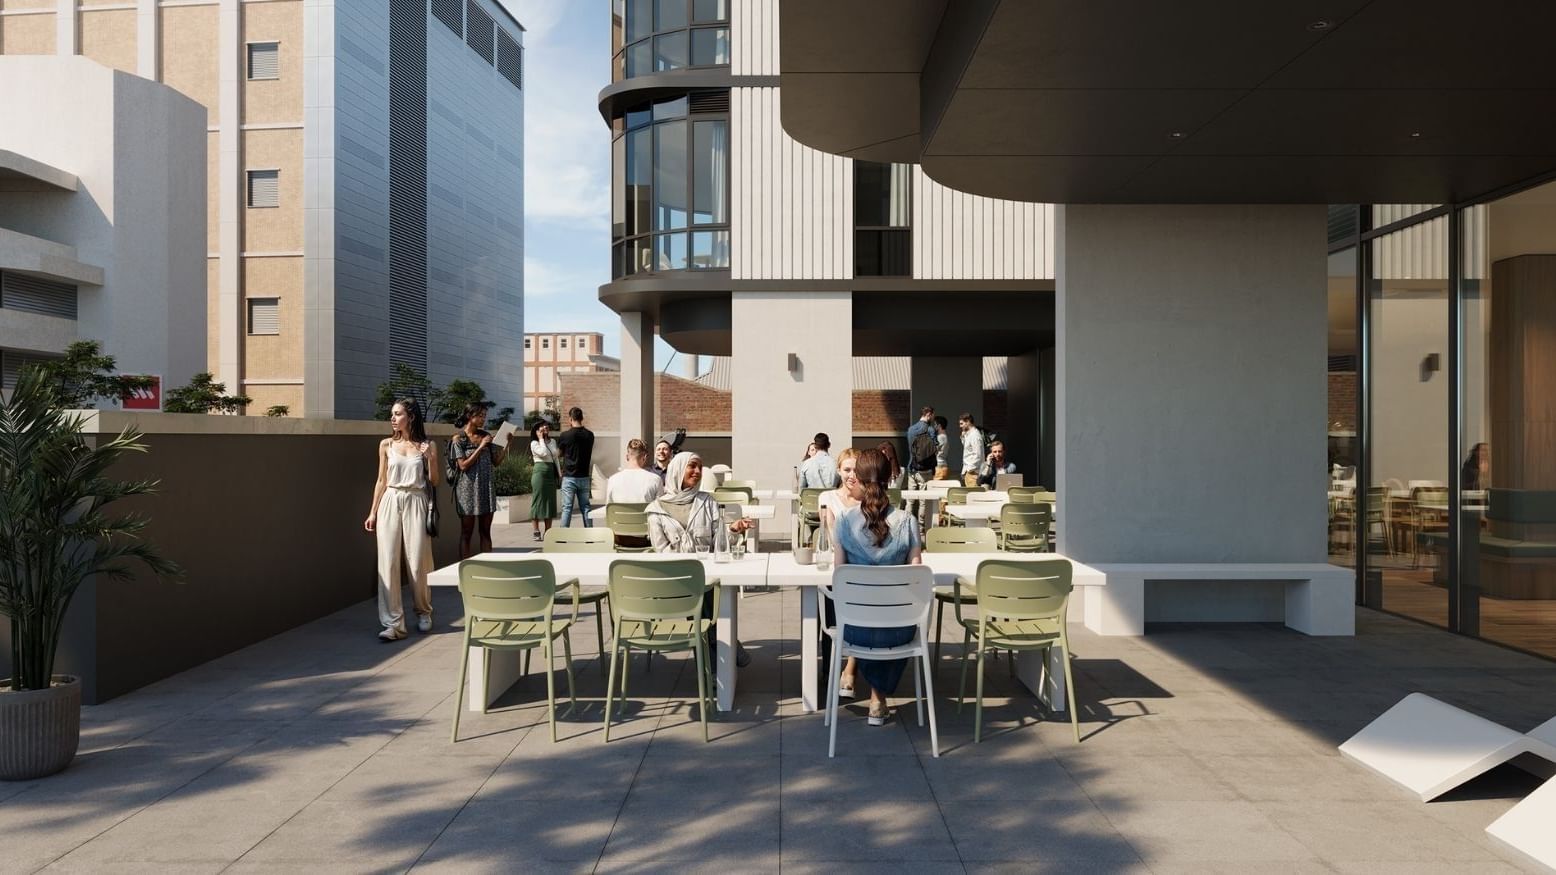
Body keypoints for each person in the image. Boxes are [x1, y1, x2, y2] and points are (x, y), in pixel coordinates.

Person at [832, 447, 924, 725]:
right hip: (900, 629)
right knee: (889, 620)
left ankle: (866, 689)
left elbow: (838, 577)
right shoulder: (908, 522)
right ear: (890, 478)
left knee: (871, 620)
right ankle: (877, 698)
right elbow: (918, 576)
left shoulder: (844, 522)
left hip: (855, 628)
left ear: (858, 480)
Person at [647, 451, 757, 665]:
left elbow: (719, 542)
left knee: (706, 600)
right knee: (704, 603)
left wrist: (733, 530)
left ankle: (711, 669)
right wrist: (690, 569)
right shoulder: (655, 510)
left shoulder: (707, 502)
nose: (697, 471)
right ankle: (724, 652)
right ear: (678, 470)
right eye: (692, 466)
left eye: (699, 467)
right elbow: (661, 551)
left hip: (706, 577)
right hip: (676, 579)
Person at [363, 398, 438, 641]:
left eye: (397, 414)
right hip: (390, 500)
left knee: (418, 562)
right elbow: (381, 480)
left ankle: (424, 611)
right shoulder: (385, 444)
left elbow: (435, 481)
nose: (392, 418)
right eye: (392, 414)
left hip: (416, 500)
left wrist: (432, 459)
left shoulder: (427, 446)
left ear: (411, 417)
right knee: (388, 562)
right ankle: (393, 624)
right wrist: (373, 511)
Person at [817, 448, 865, 699]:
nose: (852, 475)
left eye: (856, 470)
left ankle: (850, 668)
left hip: (864, 570)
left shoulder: (869, 498)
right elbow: (835, 536)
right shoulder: (827, 497)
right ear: (838, 471)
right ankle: (833, 670)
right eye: (847, 469)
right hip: (838, 569)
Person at [449, 402, 513, 559]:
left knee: (485, 532)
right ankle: (464, 570)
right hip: (466, 491)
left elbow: (496, 462)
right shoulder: (459, 439)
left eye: (485, 416)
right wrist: (480, 447)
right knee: (466, 533)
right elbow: (463, 465)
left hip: (486, 488)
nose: (483, 419)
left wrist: (507, 444)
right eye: (480, 416)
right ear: (470, 416)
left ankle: (487, 567)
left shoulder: (486, 436)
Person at [607, 438, 664, 549]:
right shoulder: (655, 479)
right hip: (646, 539)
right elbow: (660, 511)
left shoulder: (613, 479)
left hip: (619, 537)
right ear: (645, 457)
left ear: (627, 456)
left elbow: (608, 510)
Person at [557, 407, 595, 528]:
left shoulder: (565, 435)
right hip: (584, 476)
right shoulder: (590, 435)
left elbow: (559, 454)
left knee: (567, 508)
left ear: (570, 419)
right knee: (586, 507)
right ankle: (590, 535)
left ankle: (563, 537)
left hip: (569, 477)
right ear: (582, 418)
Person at [529, 420, 560, 541]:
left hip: (551, 472)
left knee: (550, 502)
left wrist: (559, 473)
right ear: (536, 431)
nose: (545, 427)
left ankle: (548, 532)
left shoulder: (552, 441)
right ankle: (536, 530)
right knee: (538, 500)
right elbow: (543, 452)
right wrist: (541, 439)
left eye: (546, 425)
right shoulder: (534, 443)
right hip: (540, 472)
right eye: (541, 426)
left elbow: (555, 457)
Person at [958, 413, 984, 487]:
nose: (960, 426)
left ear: (968, 421)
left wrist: (969, 470)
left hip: (973, 473)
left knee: (973, 496)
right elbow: (968, 450)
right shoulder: (969, 434)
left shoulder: (974, 435)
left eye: (961, 423)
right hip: (970, 472)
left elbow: (977, 454)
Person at [933, 415, 951, 482]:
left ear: (939, 425)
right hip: (944, 464)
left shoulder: (940, 437)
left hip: (938, 466)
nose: (934, 426)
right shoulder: (945, 437)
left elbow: (933, 451)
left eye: (935, 424)